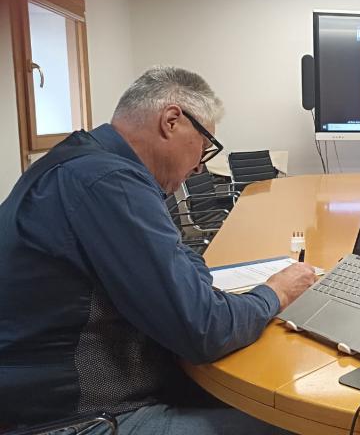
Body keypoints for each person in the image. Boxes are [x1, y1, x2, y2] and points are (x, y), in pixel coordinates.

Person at [0, 67, 317, 433]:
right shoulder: (110, 182)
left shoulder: (82, 161)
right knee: (302, 425)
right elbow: (203, 330)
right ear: (171, 121)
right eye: (204, 147)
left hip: (70, 395)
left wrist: (190, 285)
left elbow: (186, 262)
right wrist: (276, 292)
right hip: (76, 419)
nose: (198, 167)